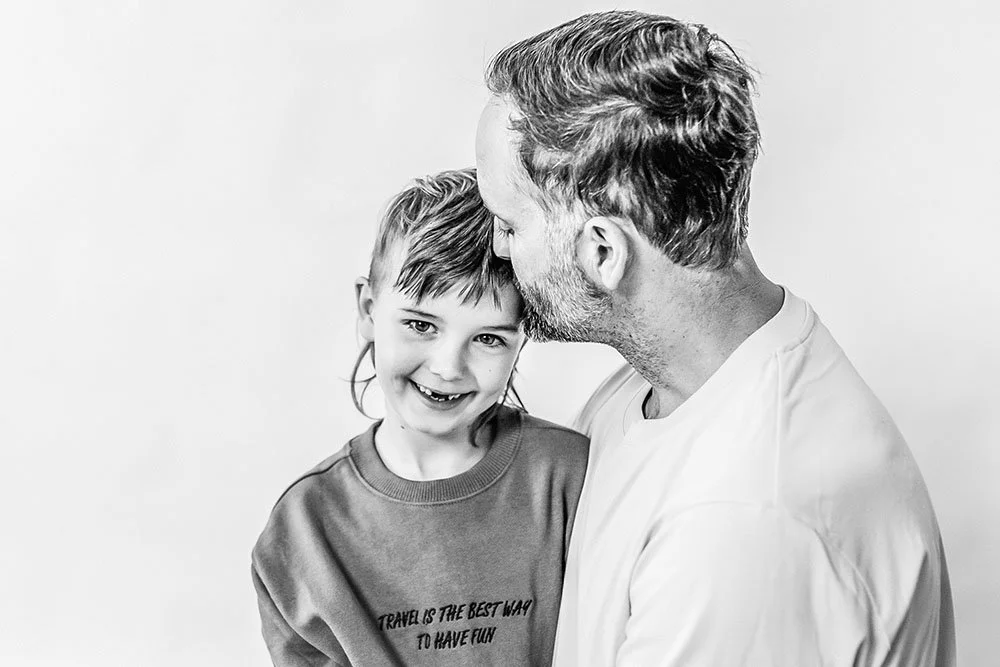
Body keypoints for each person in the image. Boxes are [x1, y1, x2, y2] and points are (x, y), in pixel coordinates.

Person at [474, 10, 955, 666]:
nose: (496, 249)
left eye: (509, 221)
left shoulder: (742, 521)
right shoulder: (652, 387)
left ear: (603, 251)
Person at [251, 168, 589, 666]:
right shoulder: (303, 531)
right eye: (420, 324)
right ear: (368, 310)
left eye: (489, 338)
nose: (448, 367)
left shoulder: (570, 477)